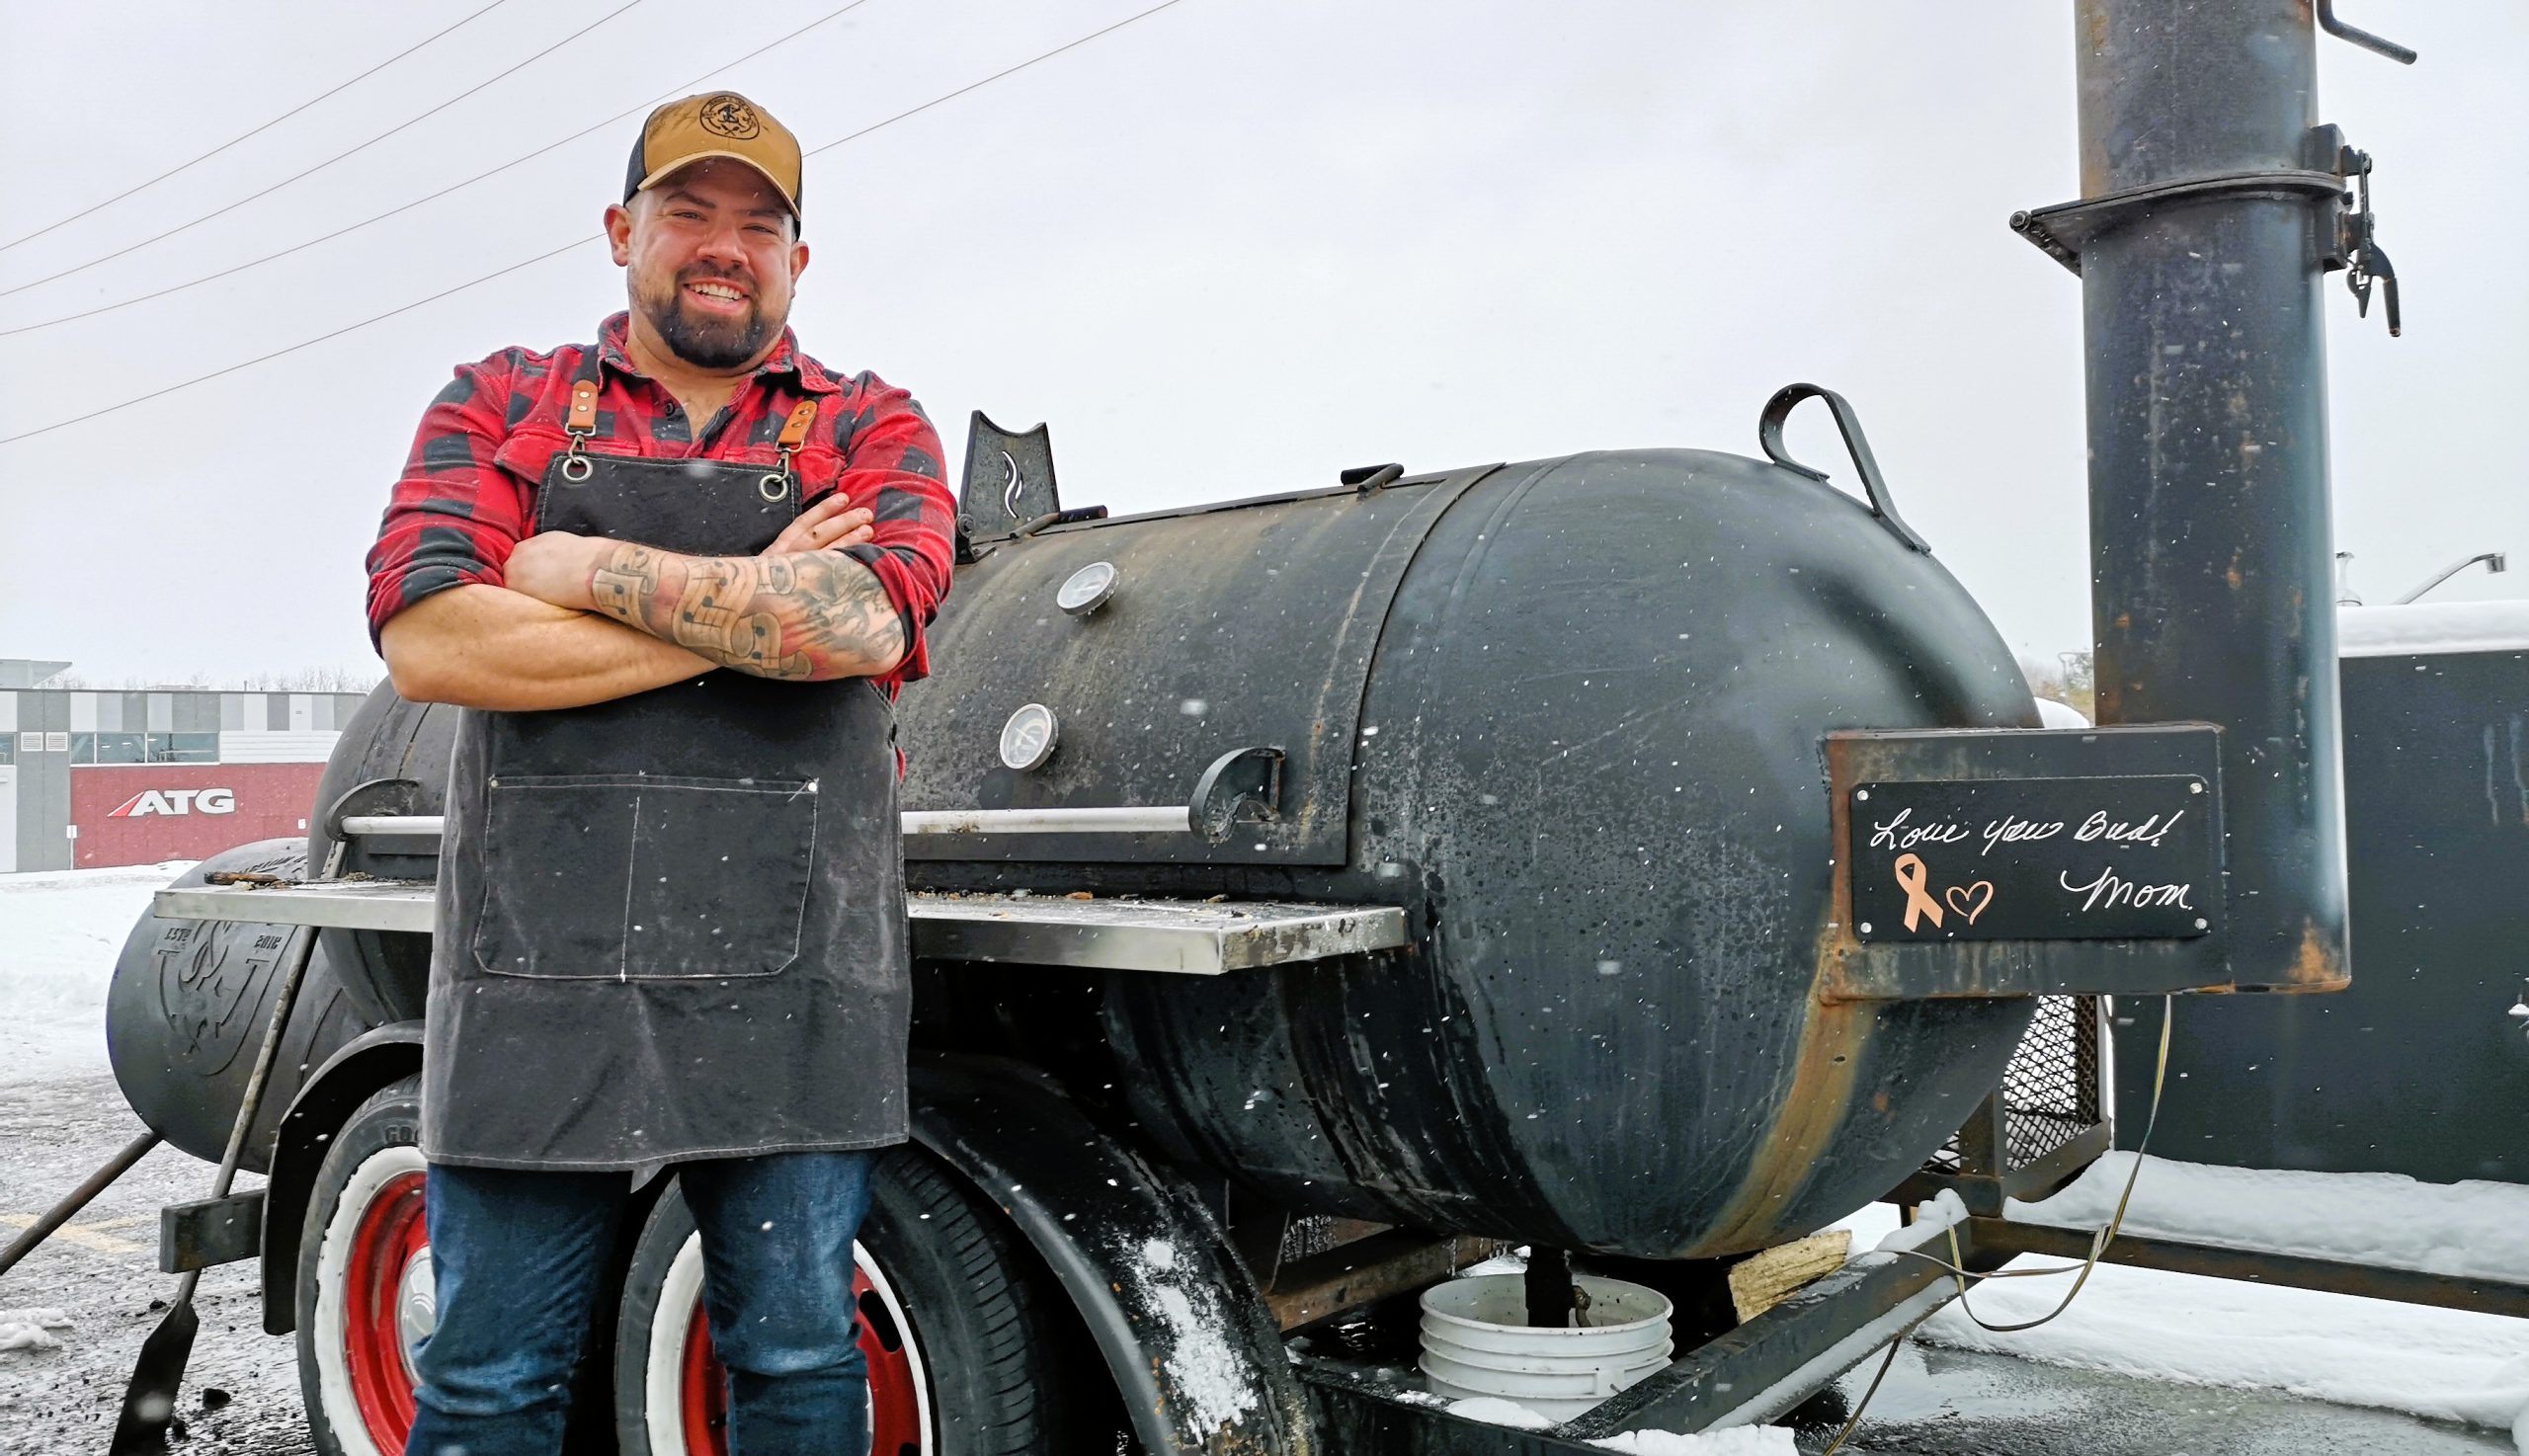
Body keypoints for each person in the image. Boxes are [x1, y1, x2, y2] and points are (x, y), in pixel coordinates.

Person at [363, 90, 955, 1454]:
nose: (723, 246)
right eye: (689, 212)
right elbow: (433, 634)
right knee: (488, 1380)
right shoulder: (498, 398)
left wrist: (566, 571)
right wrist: (758, 609)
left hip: (795, 980)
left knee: (799, 1362)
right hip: (533, 981)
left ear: (797, 262)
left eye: (759, 223)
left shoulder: (873, 422)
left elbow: (867, 623)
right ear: (624, 231)